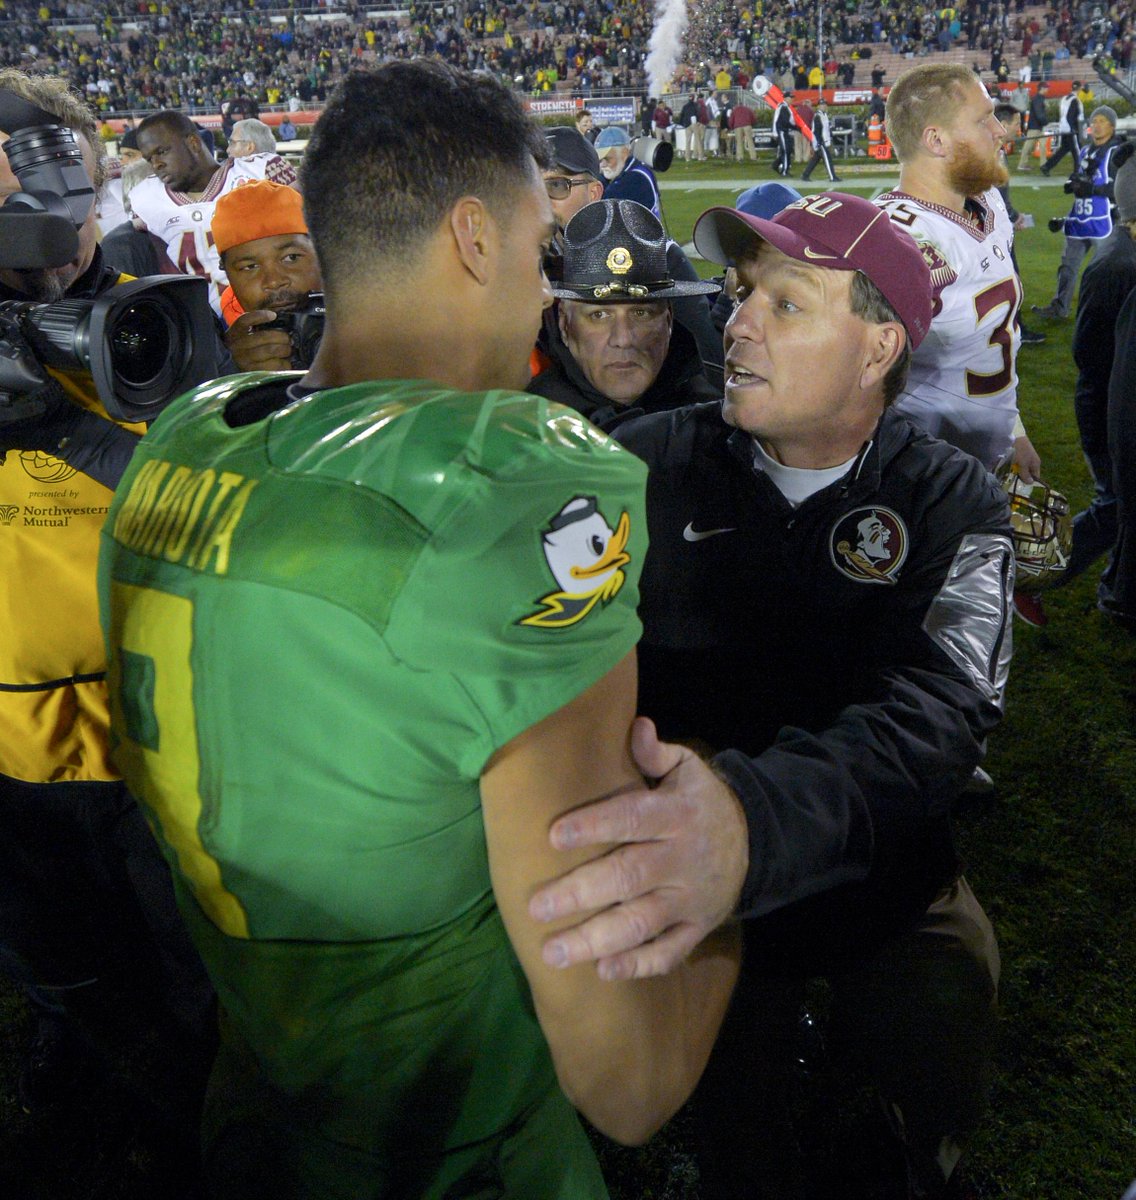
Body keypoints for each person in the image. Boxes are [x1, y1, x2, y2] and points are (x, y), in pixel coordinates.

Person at [99, 60, 739, 1200]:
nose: (548, 291)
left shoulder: (187, 434)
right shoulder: (505, 487)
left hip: (258, 1104)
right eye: (542, 251)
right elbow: (626, 1077)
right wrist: (739, 876)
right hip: (455, 1147)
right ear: (473, 239)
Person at [528, 191, 1011, 1199]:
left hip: (881, 888)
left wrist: (749, 820)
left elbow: (944, 716)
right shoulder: (634, 470)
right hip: (701, 911)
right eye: (743, 294)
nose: (736, 321)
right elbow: (537, 657)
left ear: (878, 348)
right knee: (741, 1141)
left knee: (936, 1021)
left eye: (784, 303)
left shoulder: (950, 500)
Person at [0, 68, 214, 1124]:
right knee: (48, 935)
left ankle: (198, 1091)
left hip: (147, 723)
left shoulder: (154, 316)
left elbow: (215, 497)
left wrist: (76, 429)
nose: (68, 241)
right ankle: (67, 1023)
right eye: (36, 215)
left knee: (183, 951)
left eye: (81, 210)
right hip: (6, 733)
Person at [874, 64, 1040, 482]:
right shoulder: (897, 235)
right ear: (936, 139)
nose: (1000, 131)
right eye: (984, 120)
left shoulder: (988, 203)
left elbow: (987, 350)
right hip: (925, 471)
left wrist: (1013, 430)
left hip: (989, 456)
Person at [541, 128, 723, 384]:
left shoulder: (660, 257)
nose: (540, 202)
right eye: (530, 186)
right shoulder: (518, 270)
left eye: (557, 185)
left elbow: (708, 366)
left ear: (593, 193)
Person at [528, 199, 720, 430]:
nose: (623, 339)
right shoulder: (527, 430)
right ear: (564, 325)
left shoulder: (717, 419)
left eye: (641, 313)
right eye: (598, 315)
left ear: (669, 321)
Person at [130, 109, 298, 314]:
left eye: (162, 151)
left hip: (278, 304)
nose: (157, 164)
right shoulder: (145, 198)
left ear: (193, 143)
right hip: (209, 323)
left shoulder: (262, 171)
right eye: (149, 159)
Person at [1059, 157, 1136, 592]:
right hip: (1110, 413)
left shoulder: (1123, 255)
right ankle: (1039, 574)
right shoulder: (1115, 268)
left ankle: (1116, 588)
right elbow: (1088, 354)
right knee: (1116, 505)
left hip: (1114, 407)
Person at [210, 179, 323, 371]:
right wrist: (230, 370)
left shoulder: (368, 313)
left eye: (291, 258)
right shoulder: (215, 343)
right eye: (250, 267)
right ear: (227, 274)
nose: (274, 281)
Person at [1032, 106, 1129, 320]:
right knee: (1067, 267)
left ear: (1112, 126)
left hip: (1106, 221)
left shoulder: (1116, 153)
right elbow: (1079, 179)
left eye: (1102, 121)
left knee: (1105, 271)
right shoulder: (1085, 151)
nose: (1096, 125)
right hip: (1080, 218)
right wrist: (1072, 183)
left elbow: (1122, 189)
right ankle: (1059, 308)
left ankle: (1110, 314)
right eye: (1094, 121)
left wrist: (1092, 189)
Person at [595, 124, 662, 220]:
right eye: (600, 160)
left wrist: (600, 180)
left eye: (607, 158)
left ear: (624, 153)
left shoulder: (634, 178)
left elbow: (598, 211)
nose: (602, 165)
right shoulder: (639, 169)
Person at [1040, 83, 1083, 175]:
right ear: (1079, 89)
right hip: (1071, 130)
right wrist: (1074, 128)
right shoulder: (1075, 100)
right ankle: (1078, 172)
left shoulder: (1064, 98)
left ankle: (1047, 166)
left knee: (1063, 150)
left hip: (1063, 128)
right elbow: (1071, 116)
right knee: (1077, 151)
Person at [800, 95, 841, 182]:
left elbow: (827, 129)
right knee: (827, 159)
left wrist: (831, 136)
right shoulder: (818, 116)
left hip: (824, 141)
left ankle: (805, 175)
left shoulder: (824, 115)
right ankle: (832, 177)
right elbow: (816, 131)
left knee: (815, 160)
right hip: (820, 142)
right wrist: (818, 142)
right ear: (818, 106)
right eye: (822, 104)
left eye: (825, 104)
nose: (824, 106)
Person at [1016, 80, 1048, 170]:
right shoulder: (1037, 99)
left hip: (1038, 126)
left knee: (1043, 145)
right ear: (1042, 88)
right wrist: (1045, 122)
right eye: (1046, 87)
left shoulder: (1040, 98)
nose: (1048, 89)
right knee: (1028, 146)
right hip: (1035, 127)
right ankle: (1022, 164)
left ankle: (1043, 165)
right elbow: (1039, 114)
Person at [773, 88, 795, 176]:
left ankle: (776, 164)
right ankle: (785, 171)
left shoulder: (784, 107)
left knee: (787, 150)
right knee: (786, 151)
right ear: (785, 98)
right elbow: (785, 122)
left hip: (784, 131)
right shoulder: (783, 107)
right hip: (782, 131)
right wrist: (796, 127)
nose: (792, 99)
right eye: (790, 97)